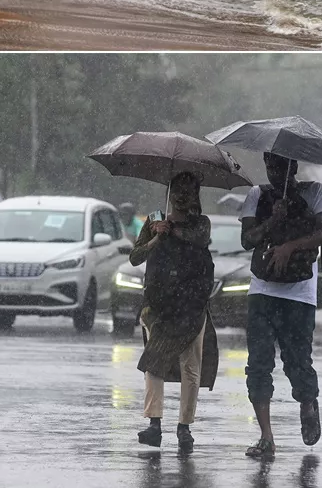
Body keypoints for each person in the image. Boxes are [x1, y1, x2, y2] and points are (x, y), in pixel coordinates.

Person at [239, 152, 322, 461]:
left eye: (280, 166)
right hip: (262, 292)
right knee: (259, 364)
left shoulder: (314, 192)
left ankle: (308, 403)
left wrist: (290, 246)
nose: (274, 172)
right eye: (269, 165)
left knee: (297, 361)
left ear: (295, 166)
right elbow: (247, 239)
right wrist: (273, 221)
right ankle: (266, 437)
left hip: (299, 295)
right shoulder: (258, 195)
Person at [130, 171, 219, 453]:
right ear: (169, 192)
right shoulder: (153, 220)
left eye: (188, 190)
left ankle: (184, 428)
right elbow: (135, 257)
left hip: (192, 306)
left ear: (195, 195)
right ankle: (154, 425)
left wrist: (174, 230)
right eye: (176, 189)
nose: (181, 195)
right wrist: (156, 236)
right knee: (153, 361)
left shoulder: (201, 224)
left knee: (190, 367)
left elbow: (198, 240)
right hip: (158, 305)